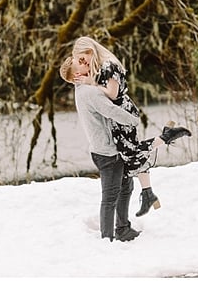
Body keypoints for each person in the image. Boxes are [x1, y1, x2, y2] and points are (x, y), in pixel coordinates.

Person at [69, 36, 192, 218]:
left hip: (122, 114)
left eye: (82, 58)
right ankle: (147, 193)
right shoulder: (101, 67)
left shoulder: (109, 65)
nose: (83, 62)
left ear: (90, 50)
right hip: (118, 115)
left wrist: (91, 83)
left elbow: (113, 93)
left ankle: (166, 138)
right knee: (131, 155)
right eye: (80, 61)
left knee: (131, 152)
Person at [61, 56, 143, 242]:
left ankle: (123, 229)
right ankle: (108, 239)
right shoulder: (90, 93)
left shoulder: (83, 90)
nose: (85, 62)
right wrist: (134, 120)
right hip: (108, 152)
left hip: (104, 149)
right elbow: (111, 111)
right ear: (76, 75)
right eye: (80, 63)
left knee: (126, 187)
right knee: (110, 196)